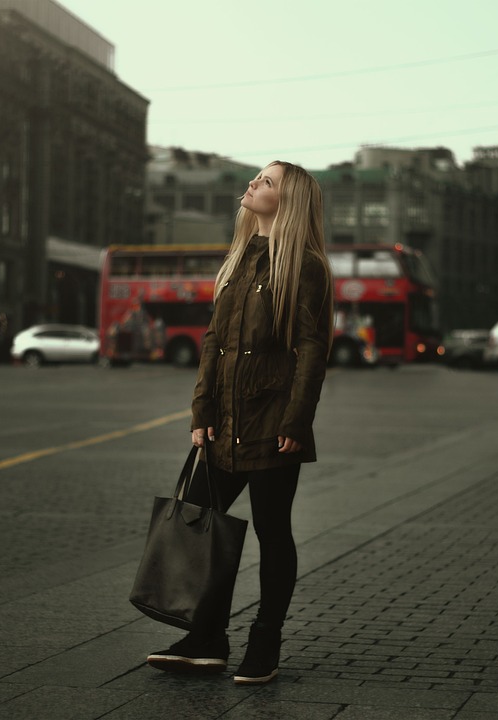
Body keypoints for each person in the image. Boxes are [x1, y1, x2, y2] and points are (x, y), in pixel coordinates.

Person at [146, 161, 333, 686]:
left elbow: (310, 350)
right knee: (203, 524)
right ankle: (207, 639)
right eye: (256, 177)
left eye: (266, 181)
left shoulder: (306, 266)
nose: (253, 184)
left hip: (274, 423)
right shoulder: (238, 259)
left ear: (288, 200)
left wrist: (296, 419)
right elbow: (213, 340)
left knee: (274, 533)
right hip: (224, 422)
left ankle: (264, 641)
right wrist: (201, 410)